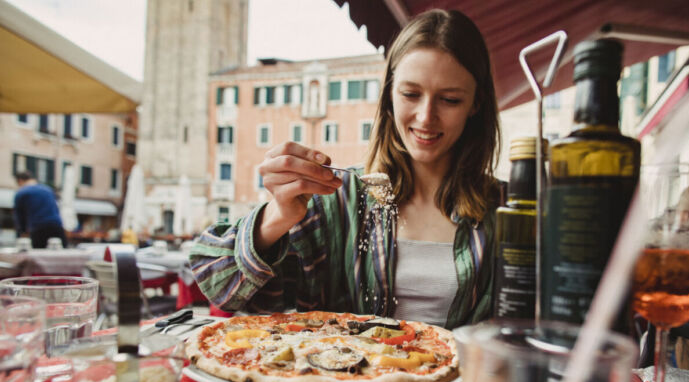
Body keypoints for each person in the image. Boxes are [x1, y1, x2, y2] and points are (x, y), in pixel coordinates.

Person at [190, 9, 501, 329]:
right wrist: (277, 214)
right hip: (348, 376)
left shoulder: (508, 210)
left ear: (476, 104)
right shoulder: (338, 197)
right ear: (390, 95)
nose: (425, 117)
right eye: (411, 94)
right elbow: (216, 283)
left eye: (449, 100)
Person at [13, 171, 68, 249]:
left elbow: (19, 216)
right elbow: (56, 207)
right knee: (62, 253)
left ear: (20, 181)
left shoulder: (22, 193)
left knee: (39, 254)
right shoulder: (48, 190)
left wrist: (22, 232)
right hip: (56, 225)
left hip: (38, 227)